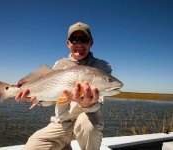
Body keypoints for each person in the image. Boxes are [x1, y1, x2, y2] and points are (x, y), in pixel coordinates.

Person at [15, 22, 112, 150]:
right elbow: (51, 97)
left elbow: (99, 102)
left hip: (88, 119)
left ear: (91, 42)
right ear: (68, 43)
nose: (79, 44)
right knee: (32, 146)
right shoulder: (61, 64)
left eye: (84, 39)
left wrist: (87, 104)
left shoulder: (102, 66)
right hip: (61, 122)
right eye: (74, 39)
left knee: (88, 126)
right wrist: (37, 99)